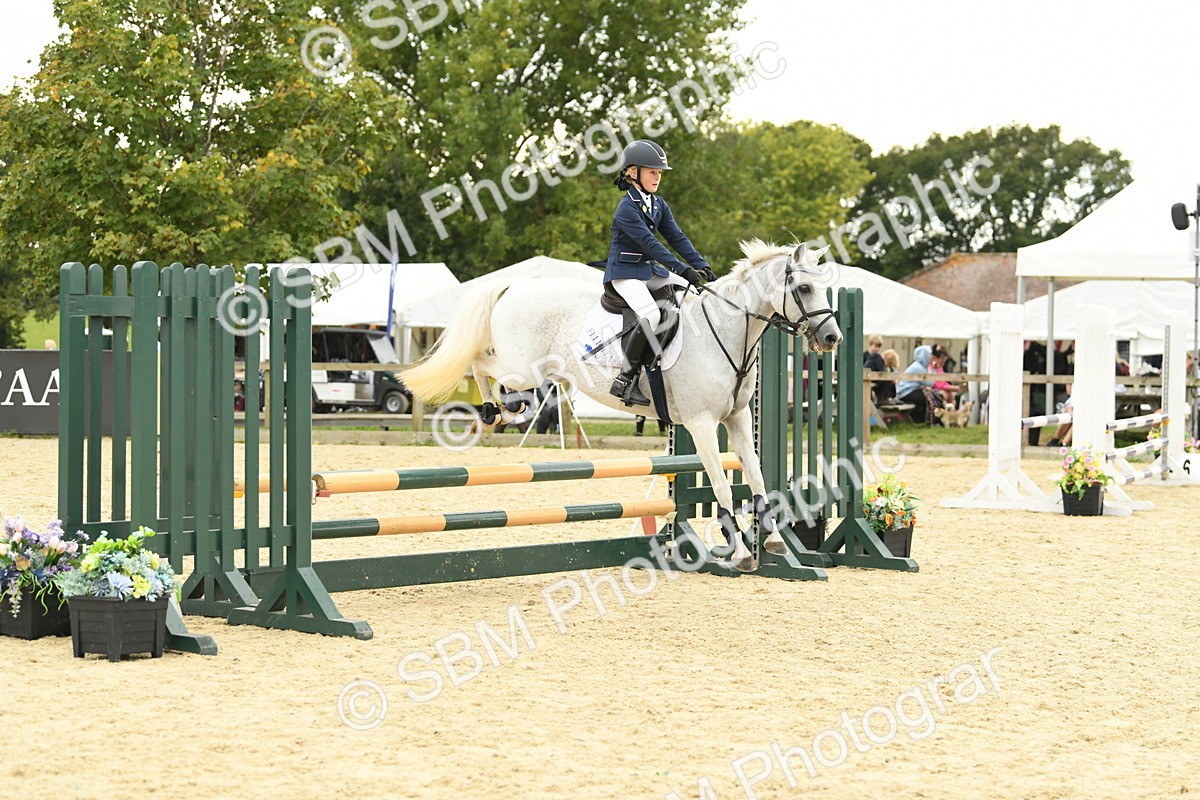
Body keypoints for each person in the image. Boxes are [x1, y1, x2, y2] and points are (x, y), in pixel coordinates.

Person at [604, 139, 714, 407]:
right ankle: (625, 379)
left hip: (647, 270)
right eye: (652, 171)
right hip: (625, 273)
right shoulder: (626, 208)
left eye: (659, 172)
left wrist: (700, 265)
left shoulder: (657, 203)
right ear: (633, 173)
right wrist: (682, 269)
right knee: (651, 314)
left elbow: (676, 237)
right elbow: (650, 245)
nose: (658, 177)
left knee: (691, 294)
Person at [897, 345, 942, 422]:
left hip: (912, 390)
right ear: (925, 355)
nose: (931, 356)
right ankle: (923, 420)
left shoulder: (922, 366)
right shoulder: (918, 367)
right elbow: (930, 383)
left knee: (930, 396)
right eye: (930, 354)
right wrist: (933, 369)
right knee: (928, 399)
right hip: (906, 392)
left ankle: (923, 419)